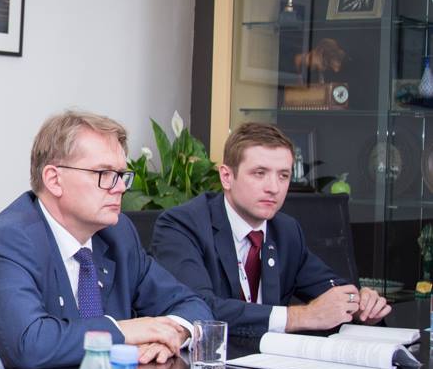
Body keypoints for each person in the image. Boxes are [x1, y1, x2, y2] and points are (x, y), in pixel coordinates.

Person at [0, 110, 212, 369]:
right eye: (104, 173)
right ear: (54, 180)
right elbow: (29, 343)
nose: (120, 187)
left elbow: (192, 304)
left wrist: (174, 333)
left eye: (121, 174)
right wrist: (123, 331)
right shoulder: (9, 241)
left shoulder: (118, 234)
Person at [151, 122, 389, 340]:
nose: (274, 188)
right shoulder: (181, 226)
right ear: (226, 177)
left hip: (269, 364)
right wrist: (301, 316)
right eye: (259, 173)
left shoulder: (286, 230)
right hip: (209, 363)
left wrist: (359, 304)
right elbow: (197, 309)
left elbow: (329, 289)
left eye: (283, 176)